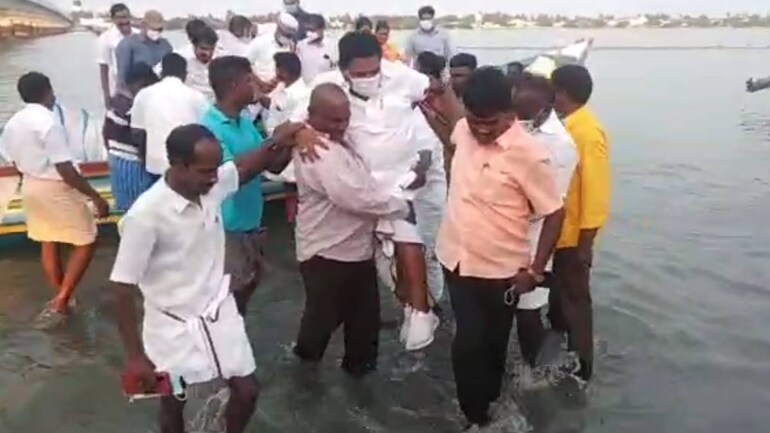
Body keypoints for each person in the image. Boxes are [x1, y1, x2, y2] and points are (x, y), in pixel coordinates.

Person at [110, 122, 300, 433]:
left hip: (217, 311)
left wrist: (277, 140)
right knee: (174, 403)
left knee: (247, 390)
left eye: (215, 168)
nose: (214, 176)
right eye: (205, 171)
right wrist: (134, 357)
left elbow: (242, 167)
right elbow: (122, 287)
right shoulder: (145, 217)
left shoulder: (211, 187)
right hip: (171, 325)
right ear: (179, 166)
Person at [291, 32, 443, 351]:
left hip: (400, 180)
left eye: (374, 71)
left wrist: (431, 155)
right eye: (360, 74)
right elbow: (296, 122)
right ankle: (307, 362)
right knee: (327, 316)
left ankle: (419, 312)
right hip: (359, 192)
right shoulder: (326, 88)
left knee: (408, 242)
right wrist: (301, 132)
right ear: (343, 69)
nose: (369, 78)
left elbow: (436, 93)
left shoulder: (402, 77)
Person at [436, 67, 565, 428]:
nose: (481, 130)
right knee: (468, 343)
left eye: (490, 123)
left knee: (492, 343)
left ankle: (490, 403)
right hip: (455, 259)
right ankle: (472, 417)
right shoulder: (464, 129)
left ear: (510, 113)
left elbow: (554, 213)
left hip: (501, 271)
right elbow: (452, 127)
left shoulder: (531, 154)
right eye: (476, 121)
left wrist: (536, 271)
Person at [293, 83, 412, 376]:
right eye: (333, 120)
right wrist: (402, 206)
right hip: (326, 254)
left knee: (365, 326)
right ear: (312, 115)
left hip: (356, 252)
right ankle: (301, 383)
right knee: (319, 329)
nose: (341, 125)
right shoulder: (317, 149)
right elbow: (353, 197)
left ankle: (357, 379)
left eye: (345, 118)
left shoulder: (339, 139)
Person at [0, 72, 110, 326]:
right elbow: (65, 169)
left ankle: (62, 296)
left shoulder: (15, 122)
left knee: (48, 240)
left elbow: (12, 159)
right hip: (56, 187)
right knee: (87, 239)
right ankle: (61, 301)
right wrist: (95, 197)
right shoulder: (49, 122)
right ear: (48, 91)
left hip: (30, 185)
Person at [199, 56, 293, 315]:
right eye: (250, 80)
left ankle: (234, 340)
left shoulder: (244, 122)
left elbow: (271, 166)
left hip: (250, 225)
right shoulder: (209, 127)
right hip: (226, 230)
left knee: (247, 287)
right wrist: (274, 142)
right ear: (233, 86)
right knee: (225, 300)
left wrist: (289, 142)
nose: (257, 86)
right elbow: (235, 174)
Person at [511, 73, 577, 369]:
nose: (517, 120)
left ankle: (533, 372)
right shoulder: (510, 124)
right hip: (499, 234)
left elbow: (548, 206)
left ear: (545, 107)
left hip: (535, 237)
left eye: (524, 115)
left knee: (528, 311)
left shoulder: (561, 144)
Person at [548, 64, 610, 382]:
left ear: (562, 93)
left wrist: (586, 241)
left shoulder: (586, 131)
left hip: (573, 235)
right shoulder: (568, 126)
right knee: (562, 297)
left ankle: (583, 369)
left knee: (577, 301)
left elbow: (597, 190)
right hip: (560, 233)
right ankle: (566, 347)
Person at [131, 53, 208, 183]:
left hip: (155, 166)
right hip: (188, 166)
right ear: (184, 74)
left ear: (161, 72)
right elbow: (206, 133)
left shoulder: (144, 94)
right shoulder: (197, 97)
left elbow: (137, 134)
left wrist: (146, 161)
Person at [411, 51, 448, 303]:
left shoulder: (425, 117)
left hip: (428, 199)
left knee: (429, 254)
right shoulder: (418, 110)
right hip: (419, 197)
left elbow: (420, 172)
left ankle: (432, 304)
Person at [103, 64, 159, 212]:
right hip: (134, 164)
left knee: (127, 210)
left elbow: (105, 135)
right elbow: (140, 138)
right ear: (142, 84)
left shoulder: (116, 103)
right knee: (143, 209)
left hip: (115, 160)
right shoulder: (137, 105)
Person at [114, 10, 172, 87]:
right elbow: (122, 76)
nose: (156, 32)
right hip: (134, 93)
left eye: (159, 30)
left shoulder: (166, 46)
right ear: (143, 25)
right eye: (153, 29)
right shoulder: (127, 45)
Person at [245, 12, 298, 93]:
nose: (286, 38)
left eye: (289, 36)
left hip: (277, 93)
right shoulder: (260, 42)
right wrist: (261, 84)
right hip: (257, 91)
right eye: (285, 34)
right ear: (278, 28)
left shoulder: (291, 48)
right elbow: (244, 66)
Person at [97, 3, 135, 107]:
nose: (124, 20)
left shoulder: (138, 35)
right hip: (119, 92)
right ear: (113, 19)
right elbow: (103, 68)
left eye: (126, 17)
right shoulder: (106, 38)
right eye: (120, 18)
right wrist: (106, 95)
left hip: (139, 89)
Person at [295, 14, 337, 84]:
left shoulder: (332, 46)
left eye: (312, 30)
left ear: (322, 29)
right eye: (307, 30)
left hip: (326, 88)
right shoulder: (300, 46)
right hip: (306, 89)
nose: (309, 33)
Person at [183, 25, 219, 99]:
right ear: (194, 46)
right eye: (203, 49)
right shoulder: (182, 59)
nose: (207, 53)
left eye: (211, 49)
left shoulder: (220, 60)